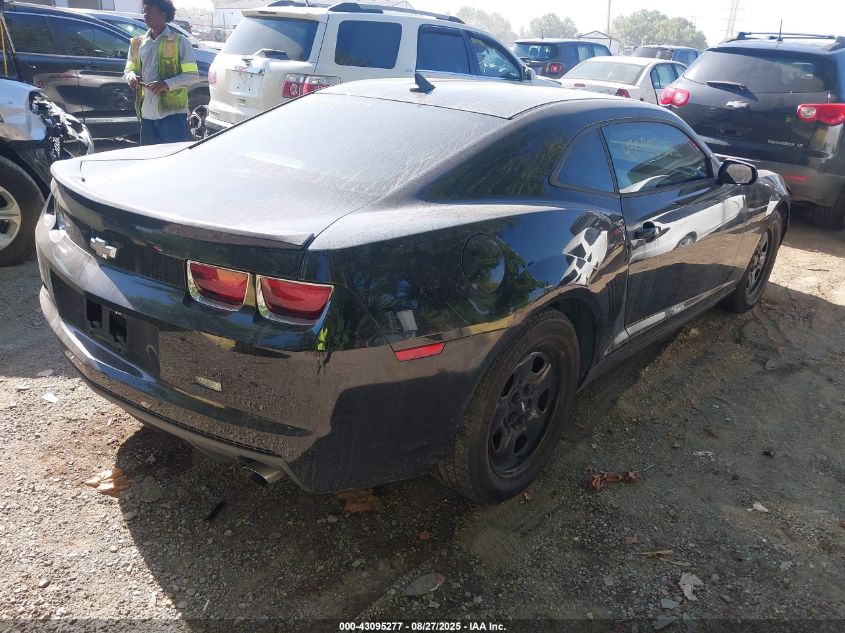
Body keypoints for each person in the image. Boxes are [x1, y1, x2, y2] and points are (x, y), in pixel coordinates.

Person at [123, 0, 198, 145]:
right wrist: (130, 77)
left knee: (175, 156)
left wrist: (166, 84)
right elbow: (128, 70)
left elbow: (192, 75)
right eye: (144, 11)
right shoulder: (137, 44)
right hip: (147, 113)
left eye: (150, 11)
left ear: (164, 14)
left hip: (172, 114)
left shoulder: (180, 42)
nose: (145, 15)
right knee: (150, 157)